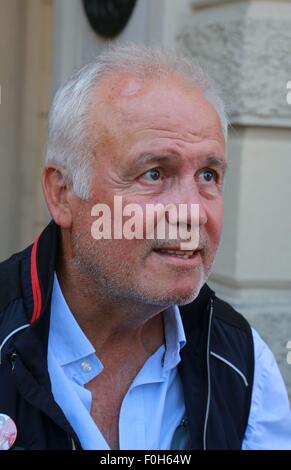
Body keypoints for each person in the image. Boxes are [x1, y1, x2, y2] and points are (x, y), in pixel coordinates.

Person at [0, 45, 290, 451]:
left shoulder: (241, 361)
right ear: (63, 194)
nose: (192, 212)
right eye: (153, 173)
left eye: (208, 174)